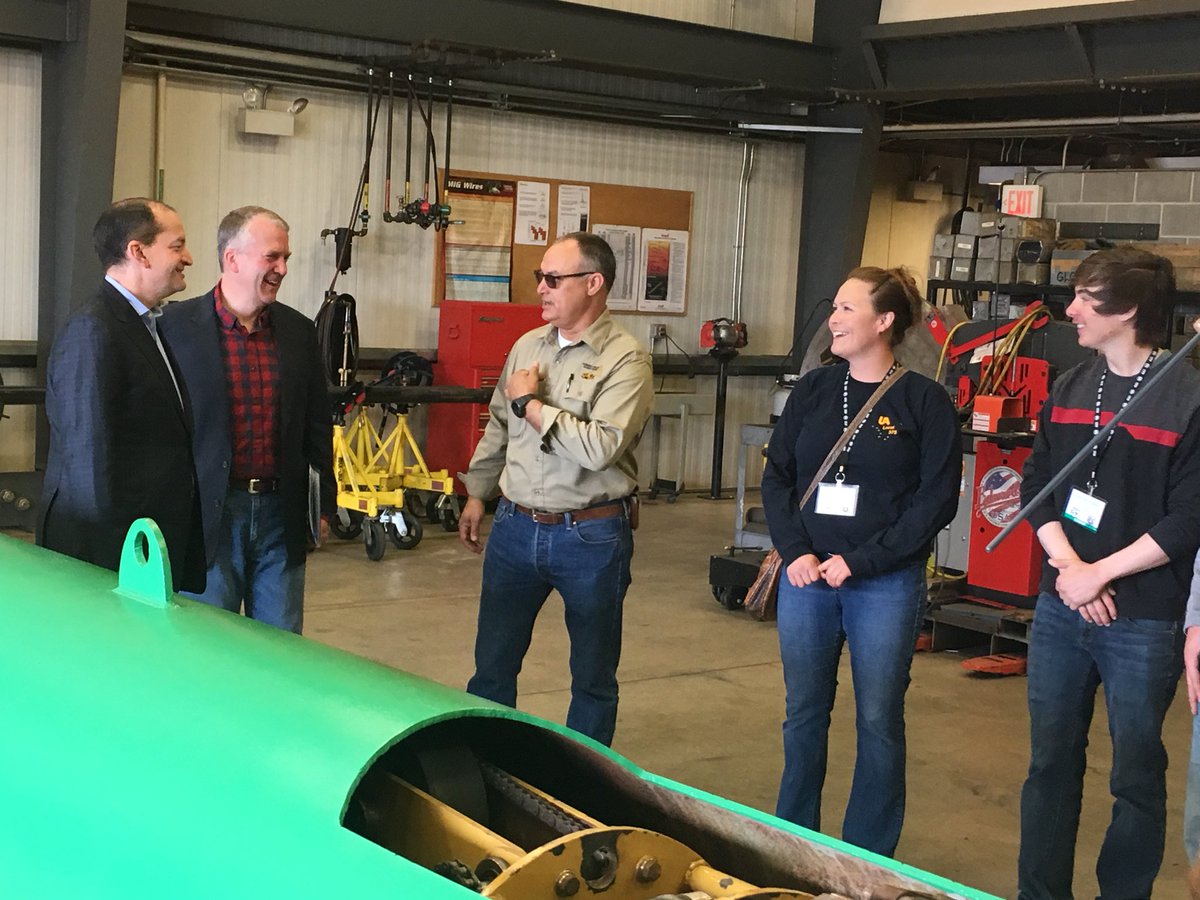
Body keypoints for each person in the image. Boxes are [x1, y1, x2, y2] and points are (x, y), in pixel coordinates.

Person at [1017, 247, 1200, 900]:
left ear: (1125, 310)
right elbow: (1036, 482)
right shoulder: (1071, 385)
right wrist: (1070, 568)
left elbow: (1188, 518)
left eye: (1084, 298)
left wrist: (1100, 575)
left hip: (1144, 616)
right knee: (1049, 765)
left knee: (1136, 774)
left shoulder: (1186, 397)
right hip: (1061, 604)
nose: (1070, 311)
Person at [761, 266, 961, 858]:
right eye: (835, 307)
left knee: (877, 716)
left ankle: (868, 853)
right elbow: (777, 477)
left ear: (884, 322)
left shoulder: (924, 400)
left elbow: (936, 500)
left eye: (848, 309)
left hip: (884, 584)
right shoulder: (815, 390)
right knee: (803, 712)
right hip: (807, 580)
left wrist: (864, 561)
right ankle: (793, 838)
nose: (834, 319)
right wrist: (797, 552)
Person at [457, 232, 653, 746]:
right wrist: (478, 492)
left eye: (552, 278)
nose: (541, 289)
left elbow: (600, 446)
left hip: (590, 537)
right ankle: (487, 763)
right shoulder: (528, 346)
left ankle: (580, 780)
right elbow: (500, 423)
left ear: (594, 283)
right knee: (492, 667)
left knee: (592, 677)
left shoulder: (626, 359)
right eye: (538, 277)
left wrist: (532, 405)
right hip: (516, 529)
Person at [159, 206, 334, 634]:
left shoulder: (298, 332)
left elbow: (317, 425)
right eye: (272, 257)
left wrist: (323, 505)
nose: (282, 269)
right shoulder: (174, 328)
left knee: (281, 647)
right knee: (208, 645)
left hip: (281, 514)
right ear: (232, 258)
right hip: (209, 518)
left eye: (286, 259)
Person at [38, 198, 206, 592]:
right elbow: (87, 466)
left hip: (140, 551)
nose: (189, 258)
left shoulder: (141, 323)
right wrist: (105, 581)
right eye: (177, 245)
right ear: (139, 252)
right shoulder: (94, 330)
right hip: (111, 561)